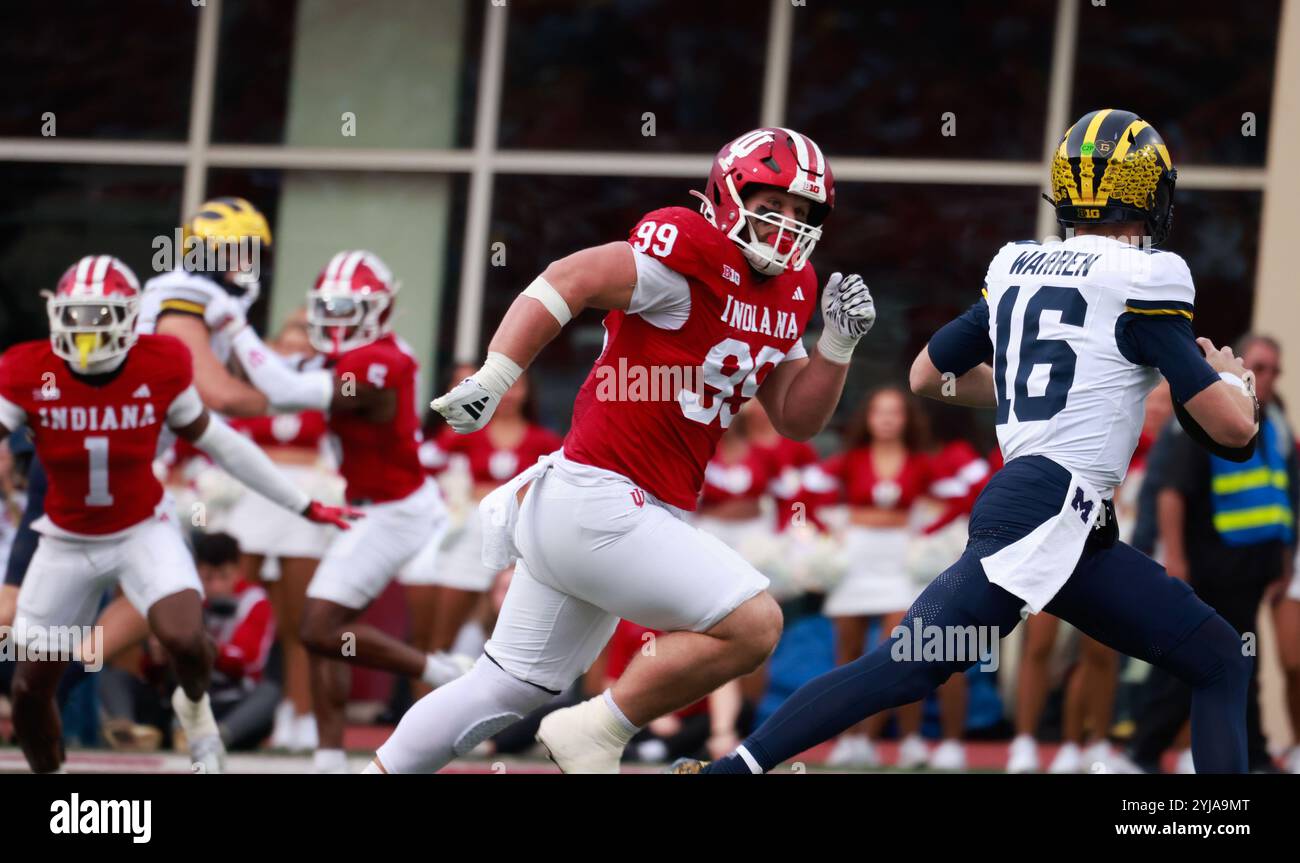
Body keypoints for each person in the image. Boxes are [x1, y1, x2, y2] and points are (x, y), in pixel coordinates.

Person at [685, 109, 1260, 775]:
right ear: (1149, 192)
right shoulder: (1147, 275)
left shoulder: (1020, 264)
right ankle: (730, 771)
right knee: (905, 666)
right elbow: (1232, 431)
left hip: (1073, 525)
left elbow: (929, 375)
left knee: (1218, 656)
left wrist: (1021, 388)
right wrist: (1235, 382)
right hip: (1045, 507)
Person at [370, 127, 876, 774]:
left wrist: (836, 347)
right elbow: (570, 277)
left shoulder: (794, 286)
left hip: (612, 508)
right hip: (602, 497)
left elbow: (795, 418)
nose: (787, 226)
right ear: (727, 193)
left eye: (803, 214)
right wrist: (496, 375)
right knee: (754, 623)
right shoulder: (687, 245)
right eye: (773, 205)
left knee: (505, 685)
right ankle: (601, 725)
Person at [0, 255, 352, 774]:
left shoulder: (159, 362)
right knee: (29, 690)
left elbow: (222, 444)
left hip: (141, 530)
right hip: (64, 541)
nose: (87, 332)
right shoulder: (27, 368)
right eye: (76, 317)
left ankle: (194, 706)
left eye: (100, 317)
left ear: (129, 315)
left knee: (185, 637)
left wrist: (301, 503)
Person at [219, 249, 467, 773]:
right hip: (368, 510)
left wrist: (228, 319)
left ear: (379, 309)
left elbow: (285, 390)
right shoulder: (353, 354)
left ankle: (446, 672)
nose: (334, 321)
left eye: (347, 309)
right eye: (328, 308)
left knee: (318, 626)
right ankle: (329, 759)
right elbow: (272, 373)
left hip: (398, 512)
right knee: (328, 634)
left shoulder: (381, 361)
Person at [1124, 334, 1295, 772]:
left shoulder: (1273, 422)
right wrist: (1177, 559)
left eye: (1275, 369)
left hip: (1253, 565)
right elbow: (1171, 494)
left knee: (1241, 661)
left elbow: (1282, 496)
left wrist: (1282, 560)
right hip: (1212, 564)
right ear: (1241, 365)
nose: (1268, 376)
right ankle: (1143, 751)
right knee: (1205, 662)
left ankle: (1252, 754)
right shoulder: (1206, 412)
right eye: (1260, 365)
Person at [815, 386, 936, 769]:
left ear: (906, 419)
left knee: (901, 650)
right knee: (847, 655)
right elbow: (803, 494)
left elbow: (956, 501)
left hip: (900, 563)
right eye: (879, 412)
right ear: (867, 419)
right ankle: (849, 739)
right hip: (856, 561)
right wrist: (833, 528)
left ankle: (908, 740)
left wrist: (926, 535)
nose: (886, 419)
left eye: (895, 412)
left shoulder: (921, 462)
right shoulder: (849, 460)